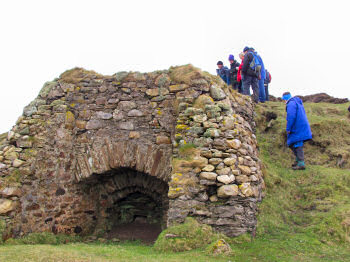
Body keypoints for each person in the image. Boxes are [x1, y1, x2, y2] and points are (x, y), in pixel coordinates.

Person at [282, 92, 312, 170]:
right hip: (301, 125)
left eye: (283, 100)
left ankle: (301, 163)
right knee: (294, 143)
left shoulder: (291, 104)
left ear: (285, 99)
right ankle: (298, 160)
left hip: (297, 126)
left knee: (296, 143)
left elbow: (291, 116)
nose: (283, 102)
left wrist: (288, 128)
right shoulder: (296, 102)